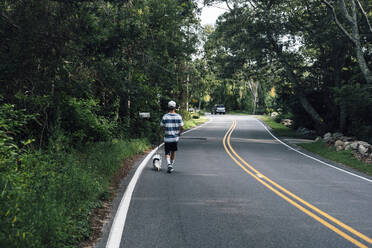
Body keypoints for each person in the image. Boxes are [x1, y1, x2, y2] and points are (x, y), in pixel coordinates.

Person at [160, 100, 184, 173]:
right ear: (175, 107)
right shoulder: (178, 116)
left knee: (167, 152)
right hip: (175, 138)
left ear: (168, 107)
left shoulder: (165, 116)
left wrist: (159, 133)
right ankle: (171, 165)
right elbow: (182, 127)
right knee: (173, 152)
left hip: (167, 138)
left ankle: (169, 164)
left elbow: (161, 126)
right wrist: (179, 133)